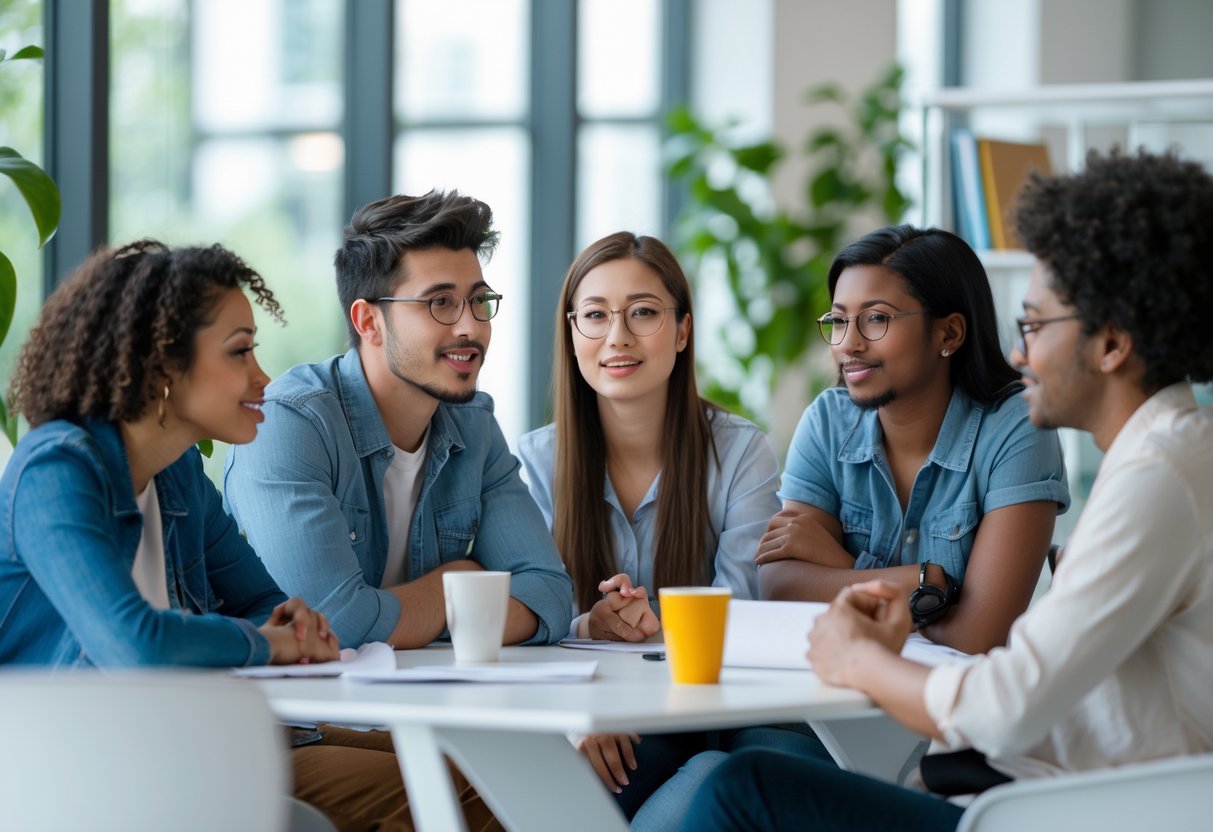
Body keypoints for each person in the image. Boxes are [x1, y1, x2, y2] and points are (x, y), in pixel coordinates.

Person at [683, 148, 1213, 831]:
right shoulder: (1163, 456)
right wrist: (922, 593)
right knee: (749, 764)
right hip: (1024, 789)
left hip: (1069, 811)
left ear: (1110, 343)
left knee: (742, 787)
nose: (1019, 353)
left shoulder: (1157, 478)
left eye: (1033, 325)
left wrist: (860, 658)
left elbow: (1006, 697)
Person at [0, 240, 492, 832]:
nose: (262, 376)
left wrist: (289, 627)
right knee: (463, 792)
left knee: (479, 765)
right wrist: (269, 644)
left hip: (203, 739)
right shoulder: (56, 471)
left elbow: (265, 604)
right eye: (239, 353)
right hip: (92, 776)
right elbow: (137, 644)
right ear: (160, 366)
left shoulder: (176, 474)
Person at [519, 231, 813, 830]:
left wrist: (661, 630)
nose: (617, 337)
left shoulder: (739, 453)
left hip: (720, 713)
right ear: (572, 332)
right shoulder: (535, 463)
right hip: (603, 720)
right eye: (595, 316)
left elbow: (742, 616)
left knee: (733, 769)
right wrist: (586, 627)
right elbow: (526, 621)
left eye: (643, 313)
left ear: (682, 332)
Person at [223, 189, 573, 651]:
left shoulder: (474, 425)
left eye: (478, 300)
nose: (469, 326)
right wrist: (460, 584)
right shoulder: (289, 425)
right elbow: (339, 623)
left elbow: (550, 595)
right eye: (440, 303)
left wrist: (400, 615)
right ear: (369, 322)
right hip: (297, 719)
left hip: (423, 706)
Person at [758, 225, 1070, 653]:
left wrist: (842, 568)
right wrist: (925, 587)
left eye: (876, 319)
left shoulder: (1018, 428)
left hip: (956, 711)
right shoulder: (827, 421)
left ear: (949, 334)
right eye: (839, 320)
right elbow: (779, 585)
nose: (848, 343)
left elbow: (979, 634)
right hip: (830, 698)